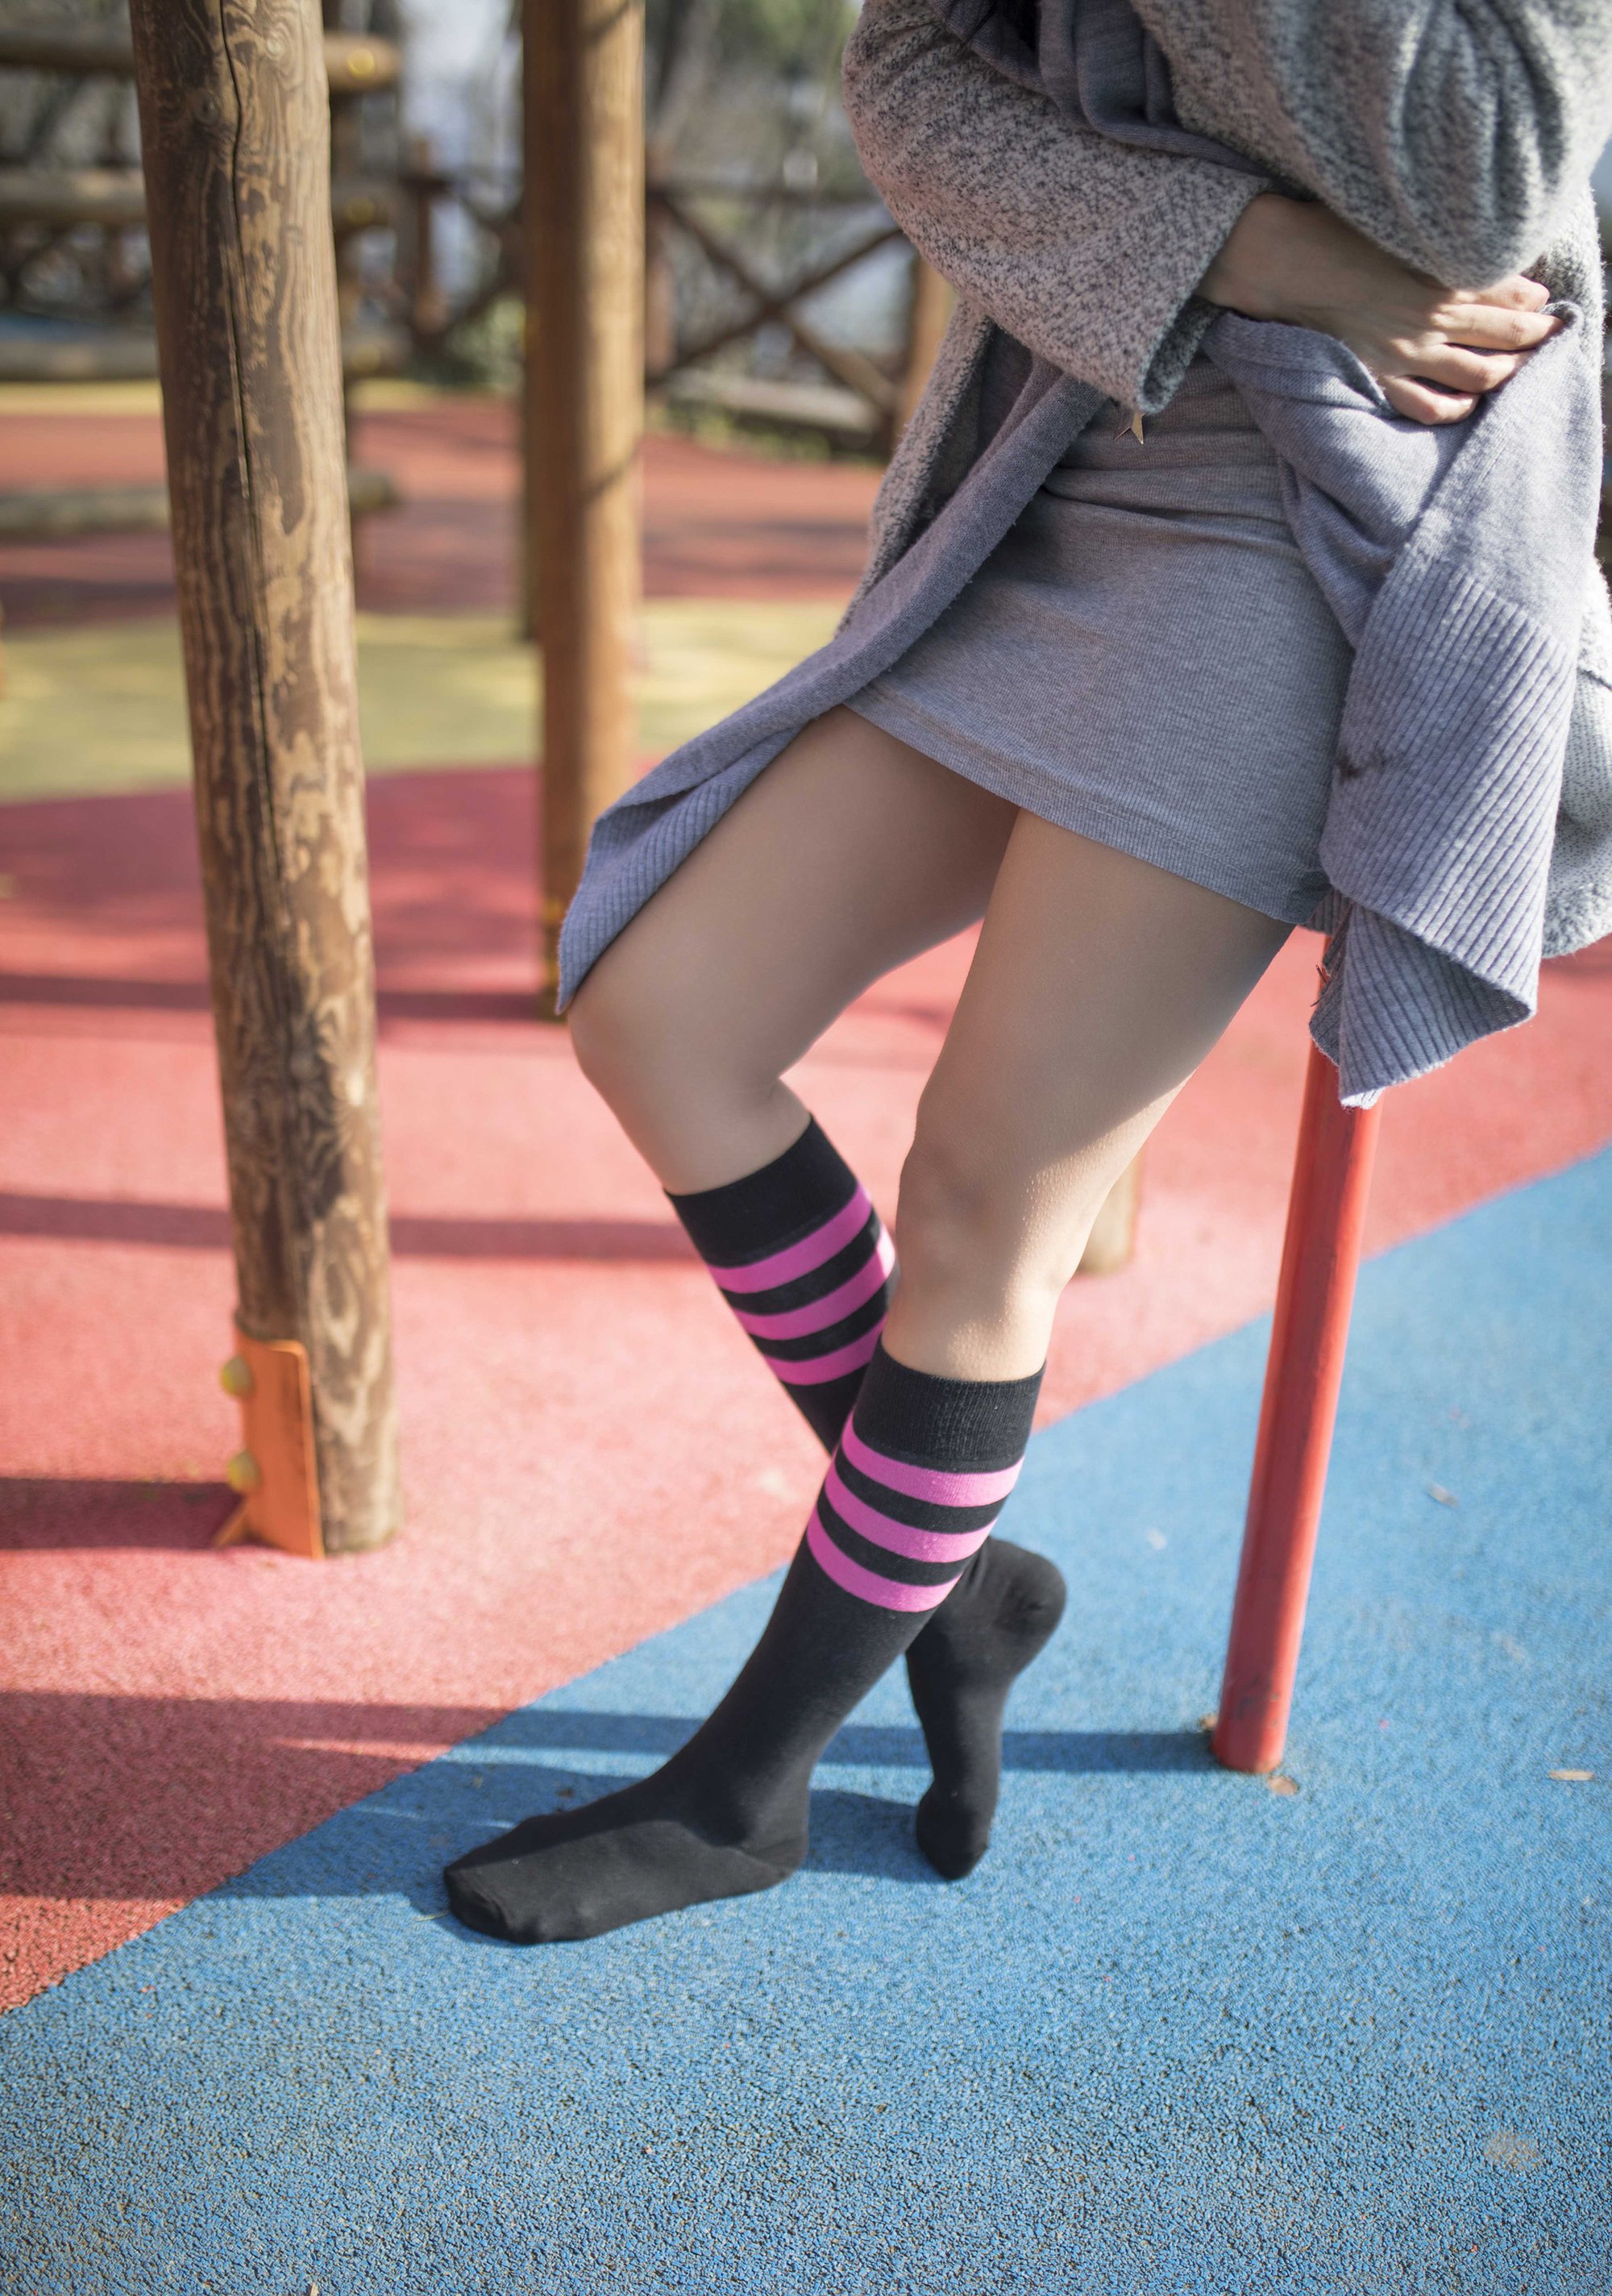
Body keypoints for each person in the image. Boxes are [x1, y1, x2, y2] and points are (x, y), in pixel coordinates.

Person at [446, 0, 1612, 1945]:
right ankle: (958, 1575)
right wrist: (1257, 247)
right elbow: (909, 83)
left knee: (988, 1195)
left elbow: (1485, 177)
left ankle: (749, 1790)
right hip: (1055, 457)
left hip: (1309, 529)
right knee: (662, 1008)